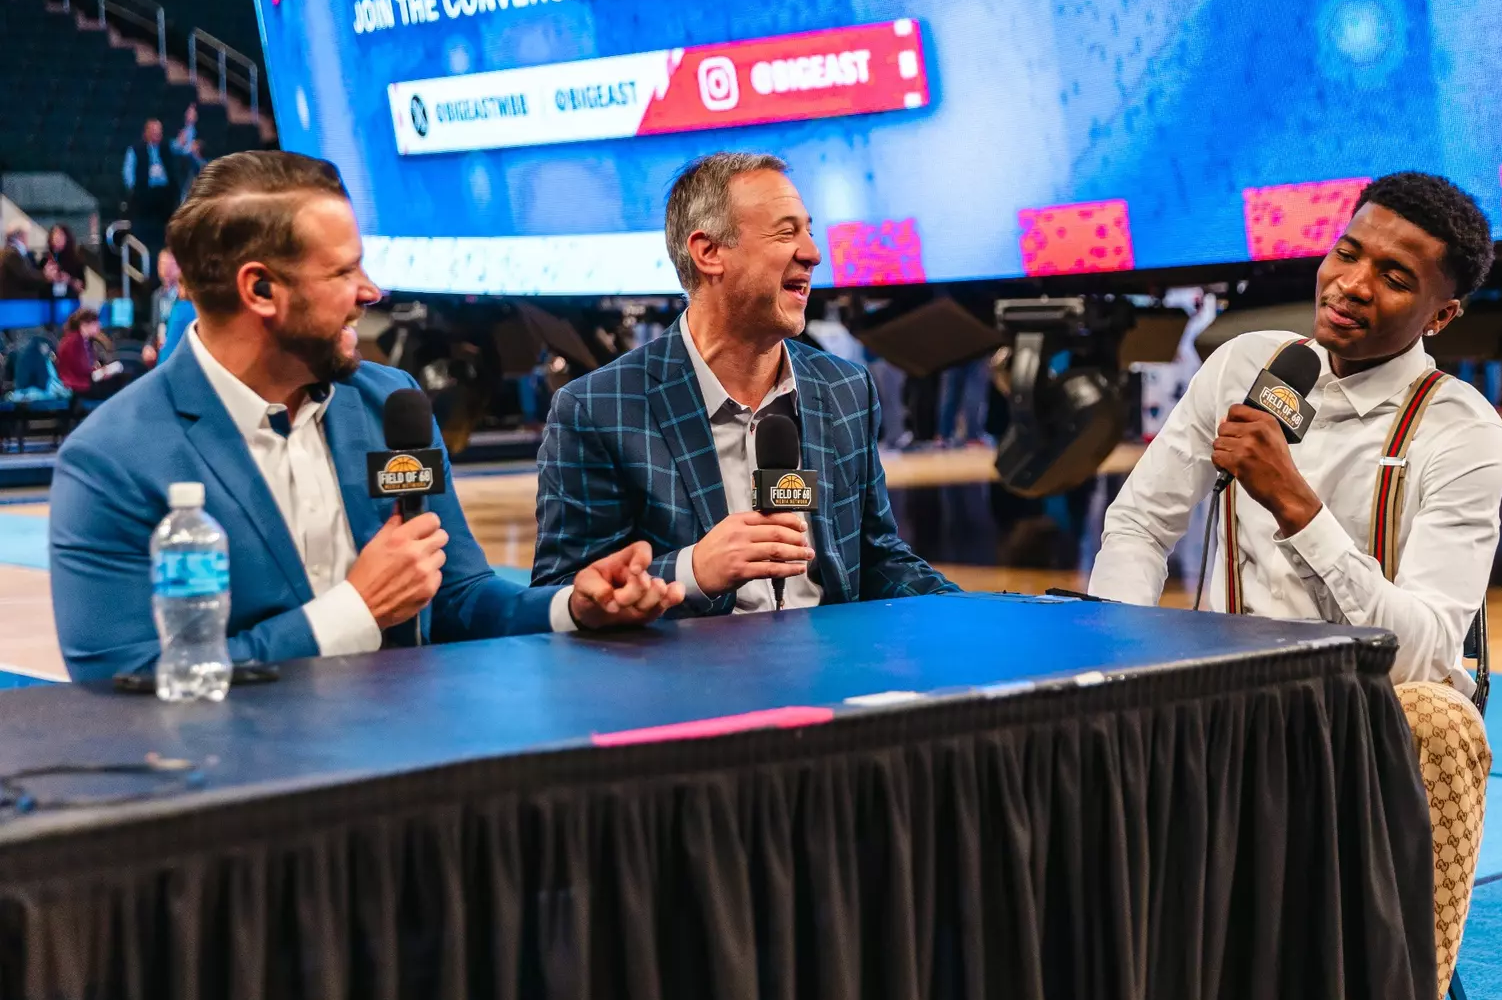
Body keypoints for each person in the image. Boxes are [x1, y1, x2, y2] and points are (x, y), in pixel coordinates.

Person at [1087, 172, 1502, 1000]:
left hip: (1361, 713)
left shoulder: (1461, 431)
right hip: (1219, 697)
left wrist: (1297, 506)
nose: (1352, 284)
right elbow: (1138, 529)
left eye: (1394, 277)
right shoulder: (1248, 366)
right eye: (1347, 253)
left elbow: (1424, 648)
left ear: (1442, 314)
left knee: (1445, 719)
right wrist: (1120, 657)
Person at [52, 150, 683, 682]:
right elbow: (125, 684)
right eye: (344, 269)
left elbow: (460, 597)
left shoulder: (390, 403)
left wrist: (574, 606)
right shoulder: (111, 460)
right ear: (261, 290)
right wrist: (355, 610)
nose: (371, 290)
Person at [533, 152, 956, 613]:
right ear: (709, 252)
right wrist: (694, 570)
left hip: (836, 674)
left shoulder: (845, 388)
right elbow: (559, 593)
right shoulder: (599, 408)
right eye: (786, 232)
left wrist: (974, 614)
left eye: (809, 231)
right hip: (688, 680)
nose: (813, 253)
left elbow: (878, 559)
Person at [121, 118, 180, 268]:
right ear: (146, 133)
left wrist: (190, 124)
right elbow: (129, 177)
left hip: (164, 200)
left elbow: (183, 146)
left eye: (159, 132)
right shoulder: (135, 150)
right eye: (154, 131)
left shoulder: (167, 147)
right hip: (145, 199)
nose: (157, 135)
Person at [0, 226, 52, 300]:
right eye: (27, 235)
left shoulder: (14, 252)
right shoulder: (11, 253)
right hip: (15, 303)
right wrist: (45, 276)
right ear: (21, 236)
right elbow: (25, 277)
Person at [42, 223, 86, 306]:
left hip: (70, 301)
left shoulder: (76, 259)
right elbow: (39, 284)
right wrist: (48, 277)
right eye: (55, 235)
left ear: (67, 238)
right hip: (49, 302)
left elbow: (81, 287)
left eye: (61, 235)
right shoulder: (45, 259)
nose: (57, 238)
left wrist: (69, 280)